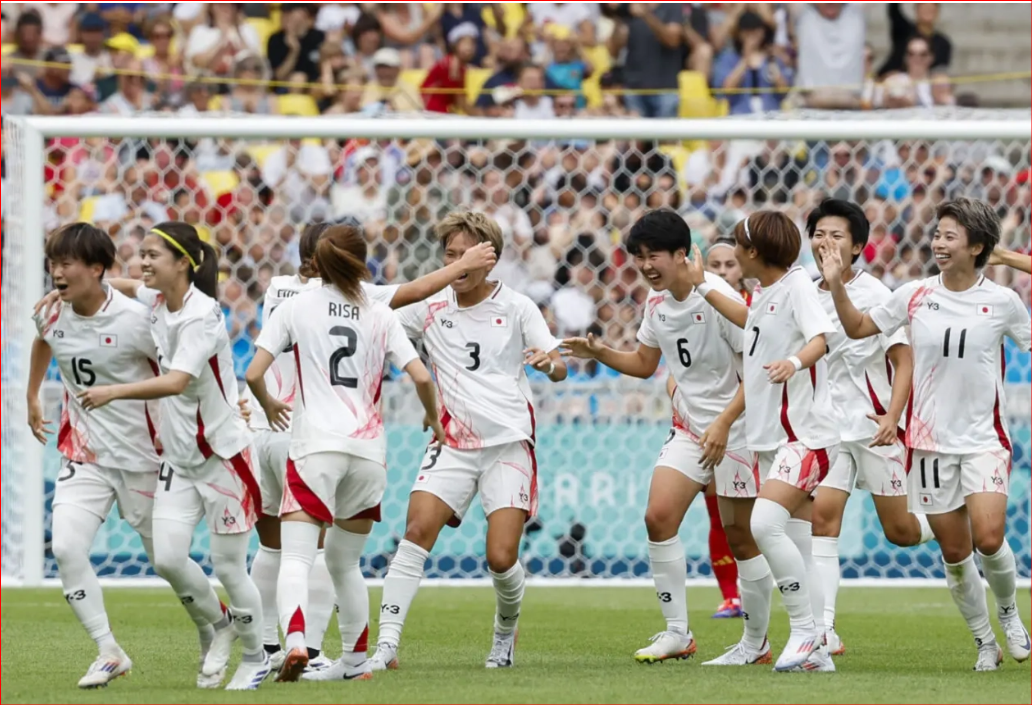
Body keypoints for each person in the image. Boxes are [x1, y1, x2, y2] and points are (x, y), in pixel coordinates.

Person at [243, 223, 497, 675]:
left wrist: (267, 403)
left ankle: (292, 643)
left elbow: (253, 372)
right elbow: (421, 373)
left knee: (291, 554)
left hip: (306, 442)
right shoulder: (377, 309)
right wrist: (433, 417)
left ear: (314, 260)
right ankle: (355, 658)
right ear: (362, 261)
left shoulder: (287, 296)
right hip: (367, 453)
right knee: (344, 562)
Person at [820, 198, 1032, 672]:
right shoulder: (914, 294)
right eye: (937, 234)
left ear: (976, 247)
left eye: (950, 236)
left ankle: (1010, 614)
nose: (938, 242)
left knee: (989, 537)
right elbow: (857, 327)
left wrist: (1011, 259)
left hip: (984, 439)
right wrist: (835, 284)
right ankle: (984, 642)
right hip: (929, 445)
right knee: (955, 552)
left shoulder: (1003, 302)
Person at [560, 211, 769, 665]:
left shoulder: (719, 297)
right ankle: (678, 633)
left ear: (681, 254)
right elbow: (643, 363)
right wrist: (600, 352)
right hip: (691, 430)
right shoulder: (656, 303)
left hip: (737, 431)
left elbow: (757, 372)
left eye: (653, 255)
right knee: (658, 518)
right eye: (638, 256)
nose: (645, 265)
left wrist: (724, 423)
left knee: (741, 538)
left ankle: (756, 643)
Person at [76, 223, 271, 690]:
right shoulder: (160, 300)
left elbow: (177, 381)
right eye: (142, 253)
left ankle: (255, 656)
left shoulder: (202, 315)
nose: (142, 262)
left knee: (229, 567)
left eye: (152, 255)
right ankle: (223, 625)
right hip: (179, 461)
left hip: (224, 457)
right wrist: (75, 292)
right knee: (166, 558)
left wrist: (113, 391)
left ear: (183, 262)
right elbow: (124, 286)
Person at [370, 212, 568, 671]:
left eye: (466, 255)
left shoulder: (517, 307)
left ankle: (504, 634)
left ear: (489, 260)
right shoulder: (429, 305)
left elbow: (559, 364)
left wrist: (548, 364)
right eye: (450, 255)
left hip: (508, 442)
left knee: (500, 557)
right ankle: (386, 645)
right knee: (415, 532)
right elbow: (378, 321)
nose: (456, 264)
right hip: (452, 441)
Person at [686, 211, 840, 672]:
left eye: (737, 244)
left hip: (805, 436)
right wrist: (702, 284)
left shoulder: (796, 285)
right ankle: (817, 652)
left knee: (764, 524)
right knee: (799, 543)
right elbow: (749, 319)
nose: (733, 251)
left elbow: (822, 338)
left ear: (753, 252)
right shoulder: (765, 292)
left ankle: (805, 633)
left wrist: (794, 362)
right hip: (772, 439)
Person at [27, 224, 179, 689]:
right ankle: (109, 650)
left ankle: (227, 623)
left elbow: (179, 373)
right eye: (53, 263)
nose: (56, 272)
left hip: (143, 457)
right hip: (85, 453)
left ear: (96, 269)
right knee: (65, 548)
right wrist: (32, 394)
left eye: (66, 263)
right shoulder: (50, 312)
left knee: (168, 560)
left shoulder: (137, 320)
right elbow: (44, 340)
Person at [806, 199, 935, 656]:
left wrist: (893, 417)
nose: (826, 242)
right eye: (819, 234)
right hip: (827, 429)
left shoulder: (877, 294)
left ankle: (949, 521)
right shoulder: (803, 292)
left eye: (836, 235)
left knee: (901, 532)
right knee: (822, 520)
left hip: (874, 426)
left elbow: (903, 359)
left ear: (857, 246)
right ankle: (824, 632)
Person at [706, 238, 752, 304]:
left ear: (742, 269)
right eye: (715, 265)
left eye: (730, 265)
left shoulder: (753, 304)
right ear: (705, 269)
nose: (722, 271)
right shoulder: (696, 302)